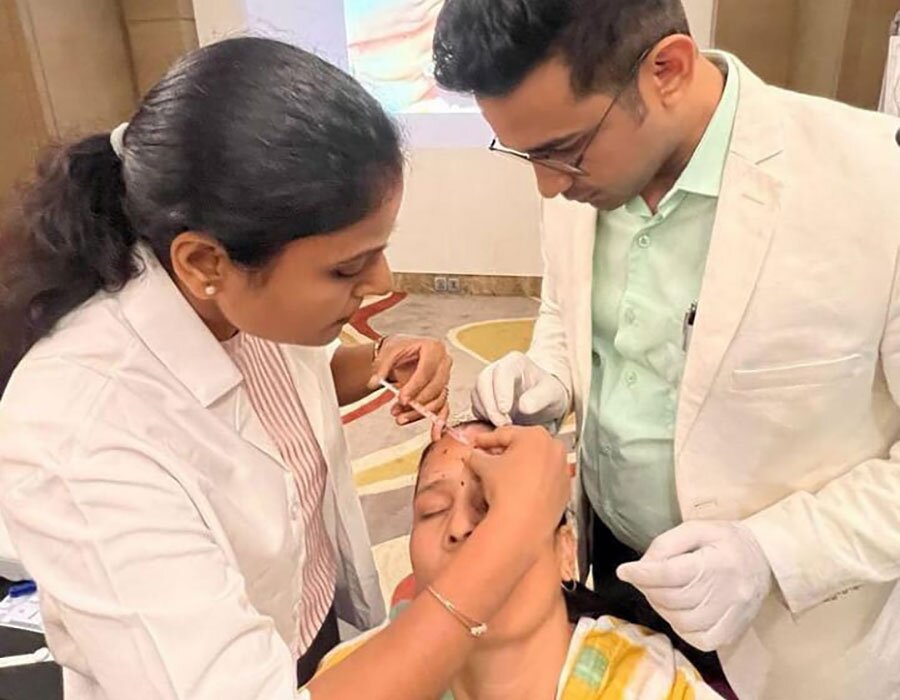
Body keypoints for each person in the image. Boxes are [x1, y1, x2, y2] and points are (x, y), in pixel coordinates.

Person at [0, 37, 572, 700]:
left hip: (315, 631)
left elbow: (271, 391)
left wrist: (375, 364)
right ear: (205, 262)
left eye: (379, 251)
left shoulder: (238, 303)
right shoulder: (80, 431)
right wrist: (510, 535)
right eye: (348, 268)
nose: (383, 282)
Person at [432, 1, 900, 698]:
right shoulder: (580, 179)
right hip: (616, 575)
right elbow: (566, 315)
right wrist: (550, 375)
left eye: (563, 149)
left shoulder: (877, 181)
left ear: (668, 70)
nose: (547, 184)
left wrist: (772, 555)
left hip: (790, 629)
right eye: (525, 155)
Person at [311, 421, 724, 699]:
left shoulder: (654, 687)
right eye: (434, 510)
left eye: (492, 507)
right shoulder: (349, 672)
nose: (461, 526)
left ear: (566, 552)